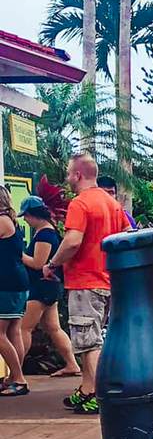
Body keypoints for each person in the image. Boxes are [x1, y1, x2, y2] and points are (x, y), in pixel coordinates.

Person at [43, 153, 129, 413]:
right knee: (91, 336)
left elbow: (72, 241)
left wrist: (52, 264)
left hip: (84, 280)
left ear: (78, 175)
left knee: (89, 340)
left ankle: (100, 395)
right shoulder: (111, 202)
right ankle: (87, 388)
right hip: (107, 279)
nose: (68, 178)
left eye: (69, 174)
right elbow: (125, 234)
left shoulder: (80, 204)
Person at [17, 197, 82, 383]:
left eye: (27, 216)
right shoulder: (48, 232)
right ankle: (72, 364)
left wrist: (18, 254)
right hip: (49, 287)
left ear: (34, 215)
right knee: (52, 327)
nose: (25, 220)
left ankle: (16, 371)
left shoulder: (44, 235)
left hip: (41, 287)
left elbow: (38, 263)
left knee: (24, 328)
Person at [0, 187, 30, 397]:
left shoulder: (1, 220)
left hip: (5, 283)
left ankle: (18, 378)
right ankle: (15, 377)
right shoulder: (12, 221)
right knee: (13, 331)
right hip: (17, 281)